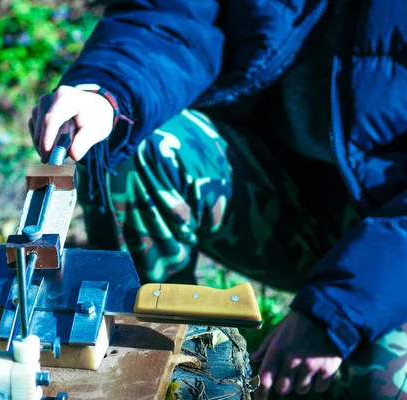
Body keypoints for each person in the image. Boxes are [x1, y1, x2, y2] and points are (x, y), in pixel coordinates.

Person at [28, 1, 407, 398]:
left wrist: (337, 312)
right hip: (291, 198)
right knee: (134, 145)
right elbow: (174, 17)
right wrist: (106, 92)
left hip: (391, 248)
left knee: (382, 378)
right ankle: (156, 359)